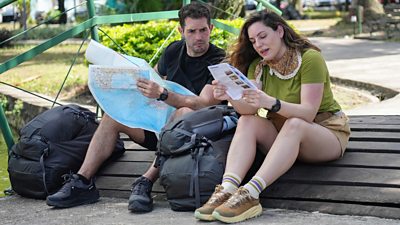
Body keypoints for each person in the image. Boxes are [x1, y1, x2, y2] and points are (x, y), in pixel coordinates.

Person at [46, 2, 225, 212]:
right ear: (181, 31)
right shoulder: (173, 50)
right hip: (159, 127)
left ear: (211, 29)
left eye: (203, 30)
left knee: (183, 113)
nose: (198, 37)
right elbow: (155, 77)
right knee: (113, 116)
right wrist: (131, 84)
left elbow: (203, 104)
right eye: (192, 31)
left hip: (195, 136)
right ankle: (82, 181)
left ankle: (145, 182)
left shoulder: (218, 59)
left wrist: (164, 94)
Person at [194, 10, 351, 223]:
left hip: (324, 133)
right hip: (284, 140)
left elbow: (308, 112)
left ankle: (250, 193)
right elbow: (247, 110)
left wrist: (270, 102)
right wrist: (230, 95)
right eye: (252, 40)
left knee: (295, 124)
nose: (258, 44)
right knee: (248, 121)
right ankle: (228, 188)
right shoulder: (258, 67)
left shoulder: (309, 59)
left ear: (279, 30)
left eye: (262, 36)